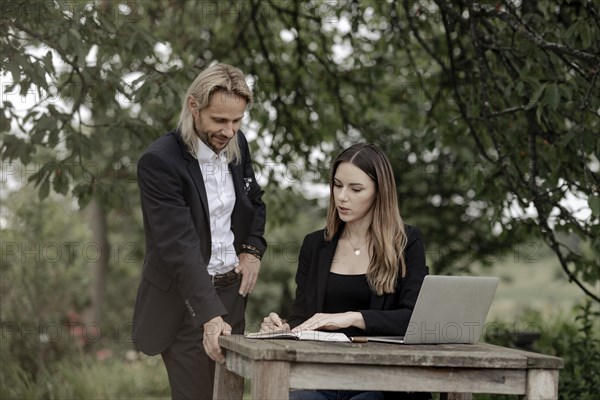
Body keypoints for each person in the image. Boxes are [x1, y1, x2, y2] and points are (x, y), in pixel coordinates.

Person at [132, 63, 267, 399]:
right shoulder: (160, 162)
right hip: (185, 302)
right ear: (194, 106)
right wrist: (210, 316)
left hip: (232, 295)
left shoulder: (239, 145)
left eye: (237, 121)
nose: (229, 131)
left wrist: (252, 250)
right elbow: (179, 247)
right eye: (219, 120)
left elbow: (255, 203)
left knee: (229, 394)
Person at [260, 143, 430, 400]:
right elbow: (303, 317)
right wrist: (282, 328)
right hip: (322, 376)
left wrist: (351, 317)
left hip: (383, 381)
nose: (342, 196)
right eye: (337, 185)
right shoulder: (315, 245)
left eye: (355, 189)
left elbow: (415, 321)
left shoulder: (407, 242)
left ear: (379, 192)